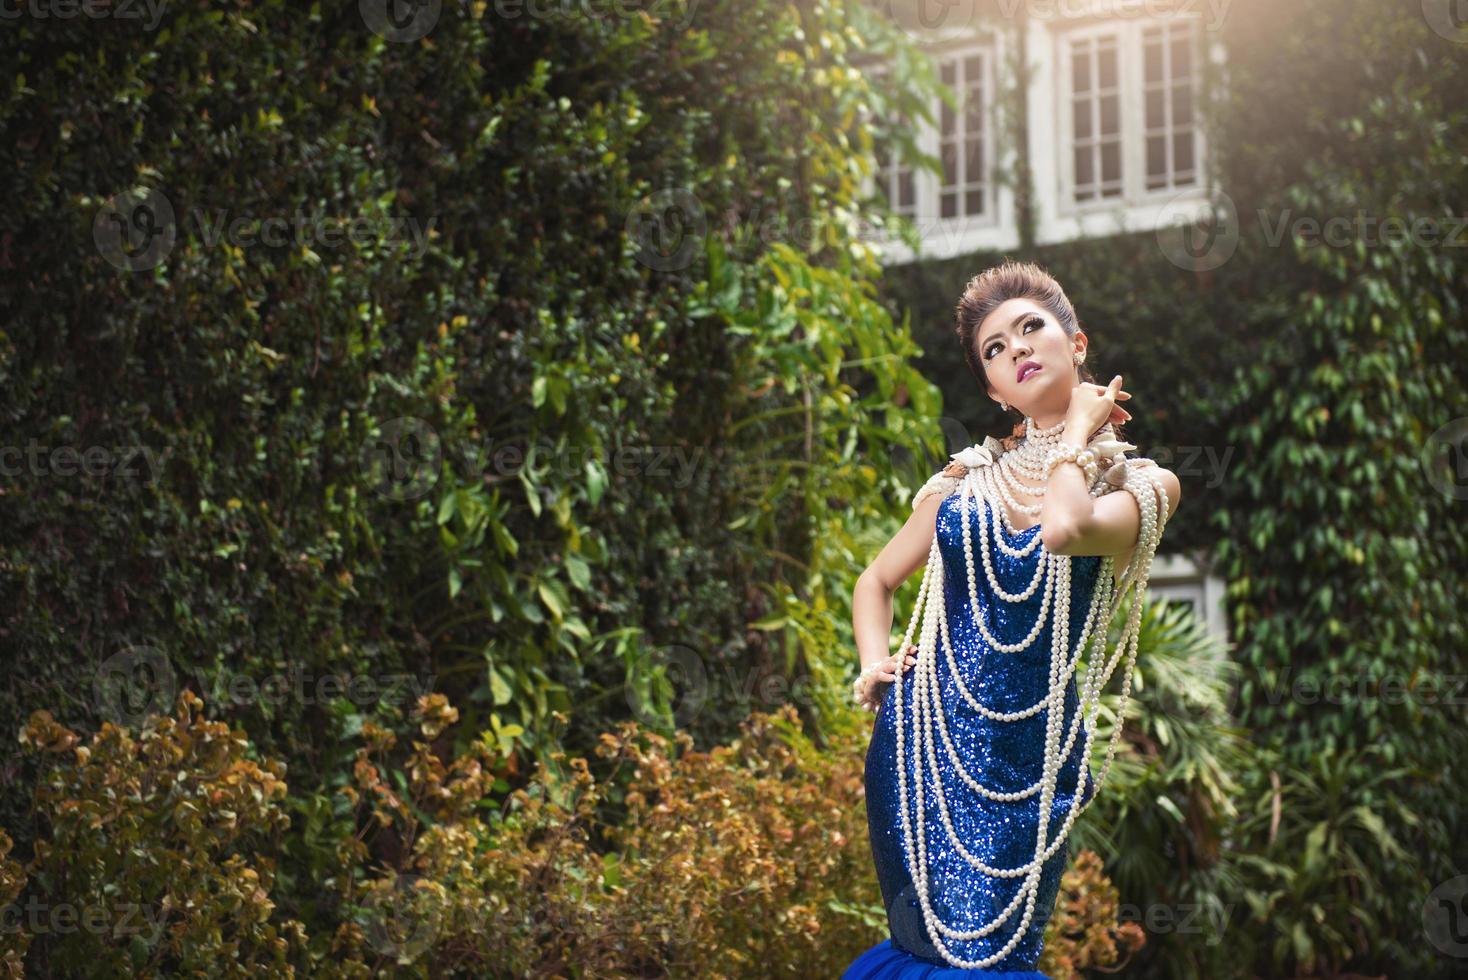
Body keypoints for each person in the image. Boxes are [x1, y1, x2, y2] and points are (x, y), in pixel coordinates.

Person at [843, 261, 1181, 977]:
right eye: (994, 349)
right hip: (918, 746)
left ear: (1077, 343)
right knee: (922, 951)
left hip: (1028, 764)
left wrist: (1078, 436)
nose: (1016, 348)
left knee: (988, 955)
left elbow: (1064, 529)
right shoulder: (967, 479)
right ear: (993, 389)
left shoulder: (1143, 485)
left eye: (1031, 327)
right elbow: (874, 580)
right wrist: (874, 664)